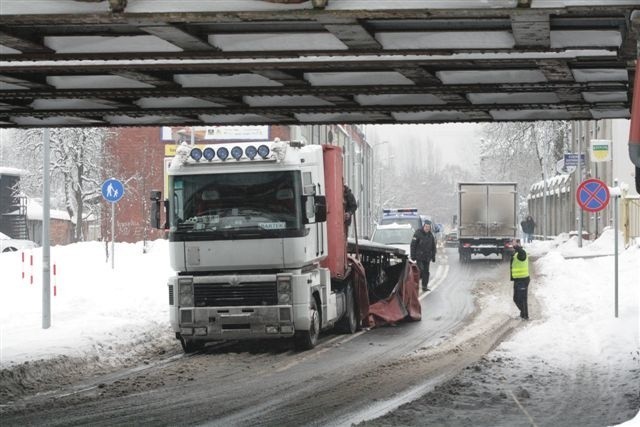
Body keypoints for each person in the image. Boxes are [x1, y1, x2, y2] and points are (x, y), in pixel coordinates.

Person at [410, 222, 437, 292]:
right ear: (423, 226)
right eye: (426, 227)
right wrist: (412, 255)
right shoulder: (418, 233)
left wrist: (433, 256)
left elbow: (433, 247)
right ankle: (415, 285)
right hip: (419, 256)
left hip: (427, 257)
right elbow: (413, 245)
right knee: (420, 270)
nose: (427, 228)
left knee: (426, 272)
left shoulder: (430, 235)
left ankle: (424, 286)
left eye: (428, 227)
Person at [510, 239, 530, 320]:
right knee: (516, 299)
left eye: (516, 243)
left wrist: (516, 246)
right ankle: (523, 313)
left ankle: (525, 316)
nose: (513, 244)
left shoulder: (522, 253)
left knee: (522, 299)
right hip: (518, 280)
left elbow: (521, 253)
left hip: (523, 279)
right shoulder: (516, 253)